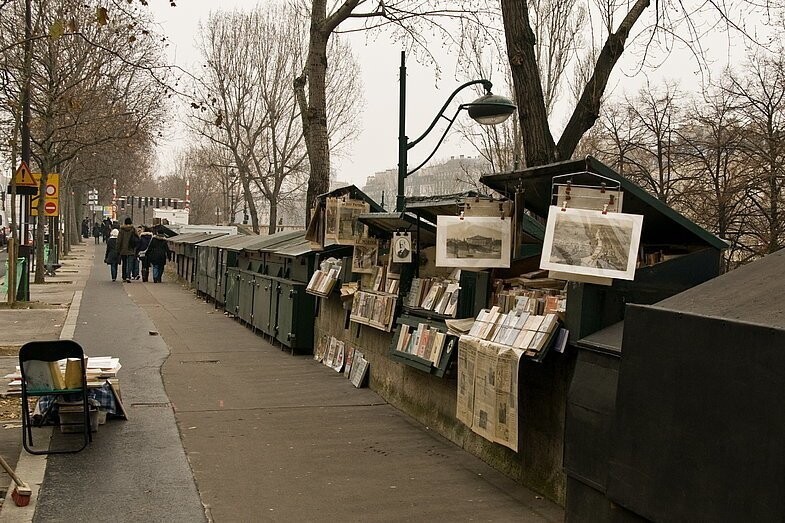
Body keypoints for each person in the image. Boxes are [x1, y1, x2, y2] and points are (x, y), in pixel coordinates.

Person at [116, 217, 139, 283]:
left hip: (123, 250)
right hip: (131, 249)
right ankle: (128, 275)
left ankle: (124, 276)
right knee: (130, 263)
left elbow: (119, 240)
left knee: (124, 263)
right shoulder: (133, 229)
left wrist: (118, 249)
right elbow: (138, 238)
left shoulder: (122, 230)